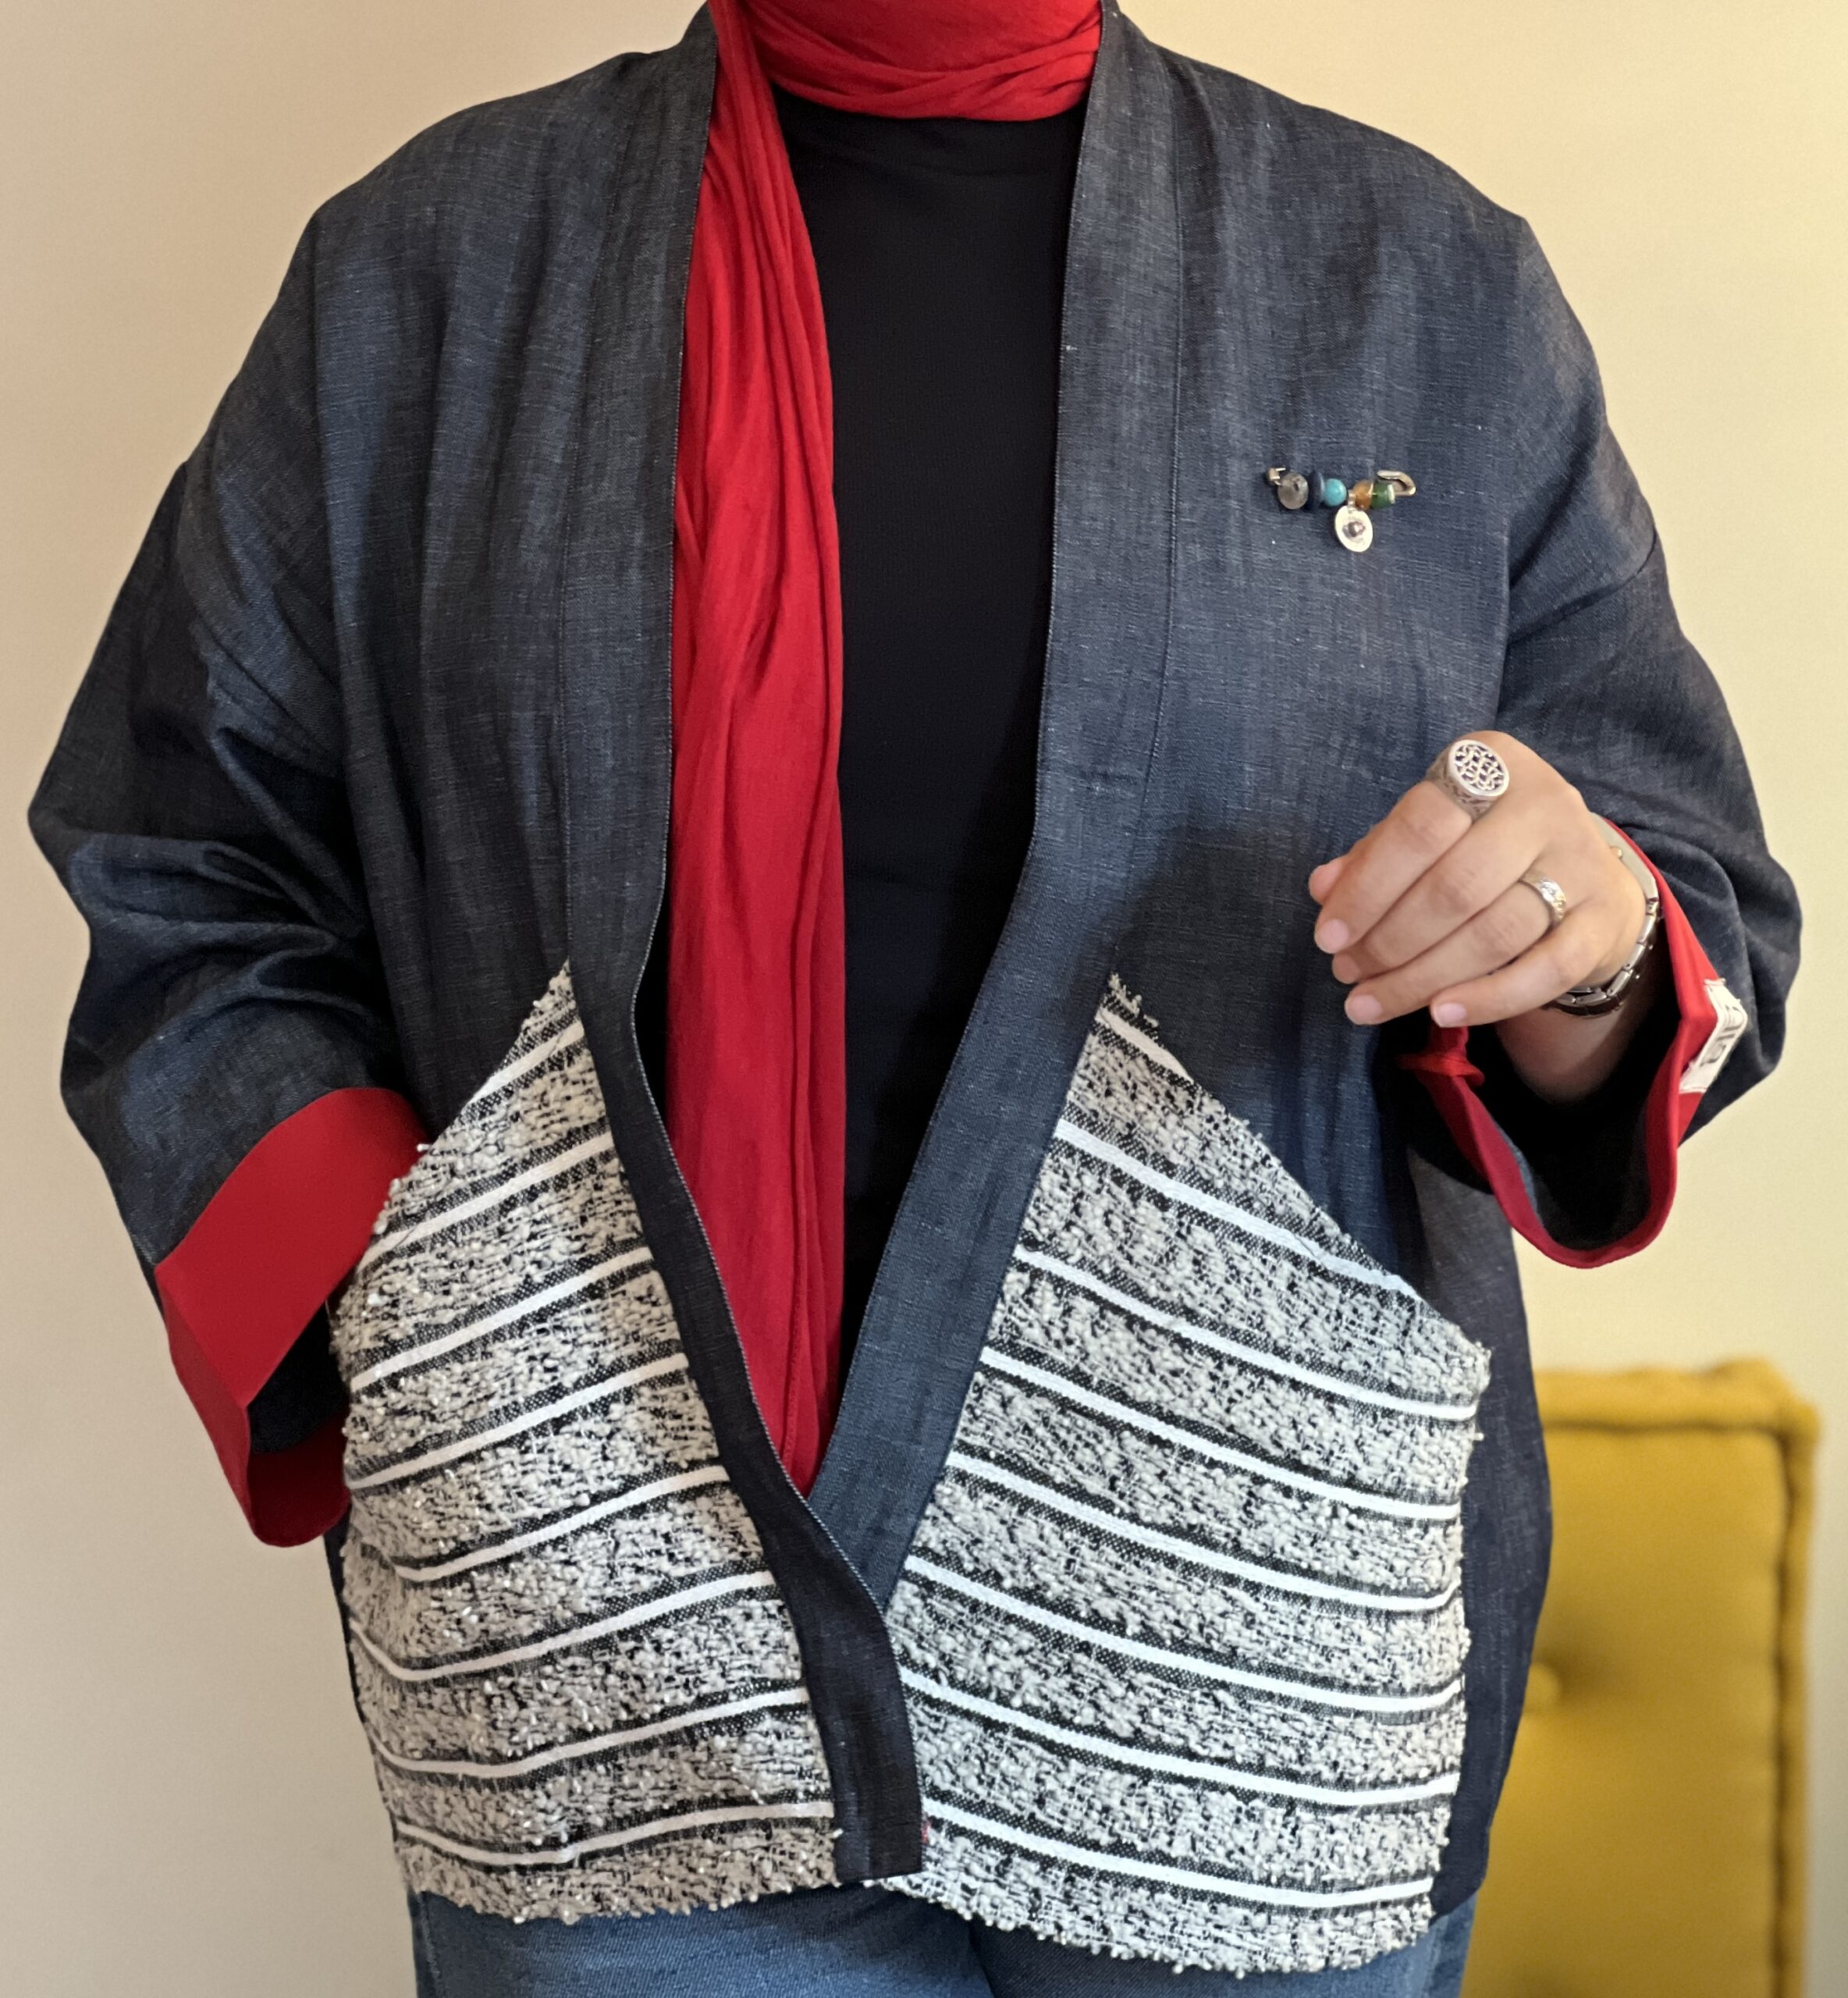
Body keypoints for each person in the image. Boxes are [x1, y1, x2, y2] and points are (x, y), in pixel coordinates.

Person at [30, 1, 1798, 1993]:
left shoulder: (1418, 283)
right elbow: (183, 850)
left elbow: (1679, 909)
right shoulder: (428, 273)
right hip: (602, 1679)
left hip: (1252, 1678)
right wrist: (431, 1327)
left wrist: (1577, 937)